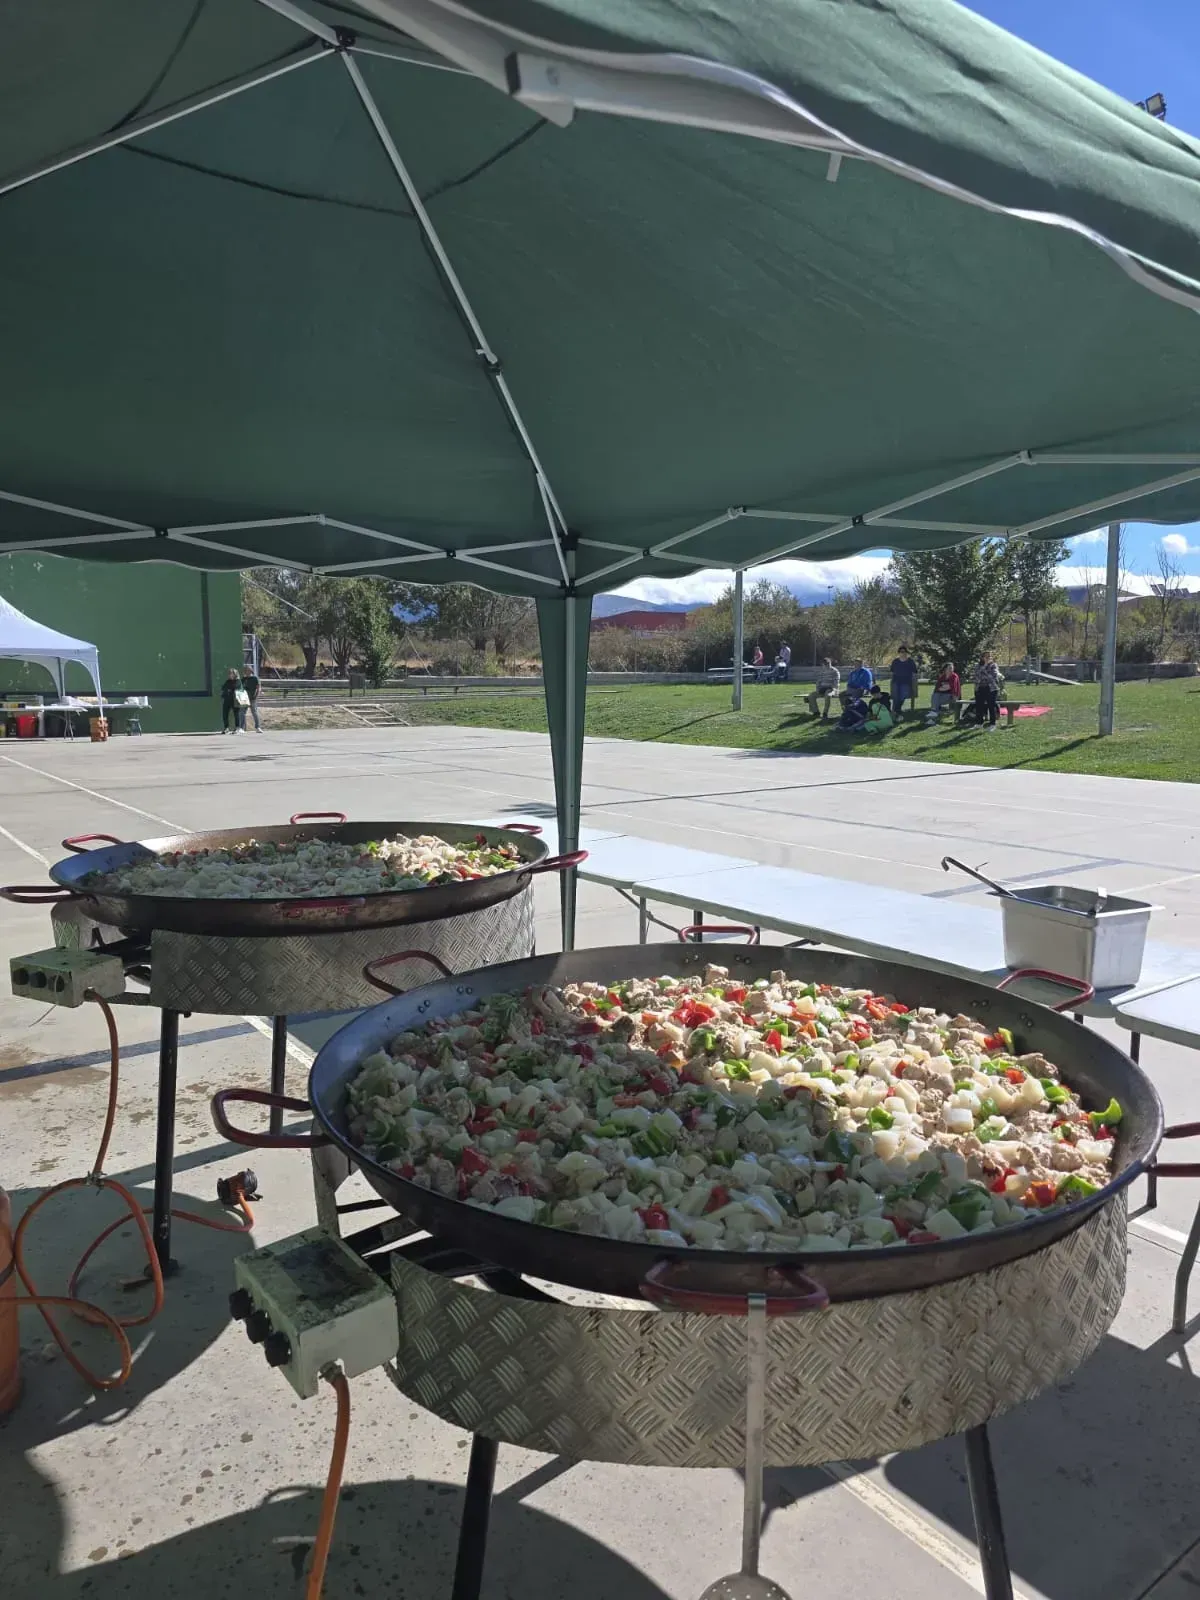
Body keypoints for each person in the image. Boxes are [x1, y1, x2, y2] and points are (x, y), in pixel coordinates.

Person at [973, 652, 1004, 731]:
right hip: (979, 688)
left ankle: (992, 724)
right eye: (986, 656)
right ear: (982, 657)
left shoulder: (994, 665)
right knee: (979, 706)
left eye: (989, 656)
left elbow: (993, 676)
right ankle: (979, 723)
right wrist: (985, 671)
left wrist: (984, 669)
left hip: (991, 689)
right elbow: (977, 676)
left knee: (991, 706)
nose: (988, 658)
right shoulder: (977, 665)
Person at [889, 645, 918, 716]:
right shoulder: (895, 661)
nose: (903, 653)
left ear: (906, 653)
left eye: (904, 652)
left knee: (903, 694)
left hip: (906, 682)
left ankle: (896, 709)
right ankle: (897, 710)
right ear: (899, 653)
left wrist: (914, 683)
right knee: (895, 695)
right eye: (901, 652)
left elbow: (914, 672)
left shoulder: (910, 661)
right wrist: (892, 681)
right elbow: (892, 672)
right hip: (896, 681)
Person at [220, 667, 242, 734]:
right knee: (225, 714)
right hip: (227, 700)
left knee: (236, 714)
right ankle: (226, 728)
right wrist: (228, 689)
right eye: (229, 674)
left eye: (231, 673)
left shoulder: (238, 681)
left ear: (235, 674)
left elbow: (235, 688)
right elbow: (223, 687)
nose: (230, 675)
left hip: (235, 700)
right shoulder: (228, 681)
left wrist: (230, 689)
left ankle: (237, 728)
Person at [241, 665, 262, 732]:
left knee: (254, 713)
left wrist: (256, 696)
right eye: (245, 670)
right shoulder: (243, 679)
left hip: (253, 698)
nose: (246, 672)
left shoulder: (255, 678)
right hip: (244, 699)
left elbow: (258, 688)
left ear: (251, 671)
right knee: (242, 713)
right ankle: (241, 728)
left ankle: (257, 727)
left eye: (248, 670)